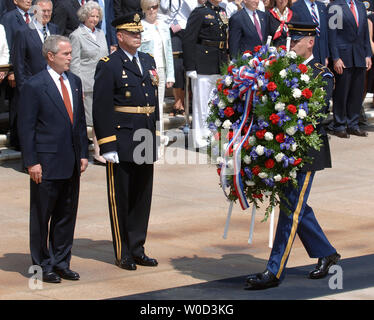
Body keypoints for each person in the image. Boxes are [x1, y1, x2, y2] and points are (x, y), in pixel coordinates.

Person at [245, 22, 340, 290]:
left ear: (310, 42)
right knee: (294, 206)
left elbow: (317, 114)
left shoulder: (322, 74)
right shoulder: (284, 70)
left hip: (306, 153)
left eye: (296, 40)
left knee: (290, 210)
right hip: (282, 149)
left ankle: (274, 271)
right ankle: (327, 253)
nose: (291, 44)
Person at [17, 35, 89, 284]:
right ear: (50, 56)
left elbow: (78, 122)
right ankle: (42, 265)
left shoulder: (75, 82)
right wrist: (32, 162)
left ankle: (61, 262)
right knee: (41, 217)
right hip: (45, 163)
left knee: (66, 214)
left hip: (70, 161)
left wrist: (83, 153)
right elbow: (26, 128)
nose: (70, 57)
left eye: (70, 53)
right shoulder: (35, 85)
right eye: (65, 54)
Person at [93, 12, 159, 271]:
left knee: (142, 196)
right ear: (119, 36)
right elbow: (102, 108)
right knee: (121, 197)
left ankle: (138, 247)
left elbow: (151, 101)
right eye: (133, 33)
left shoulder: (147, 59)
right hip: (121, 139)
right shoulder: (109, 64)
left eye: (139, 33)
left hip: (145, 136)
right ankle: (123, 251)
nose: (138, 37)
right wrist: (107, 145)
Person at [183, 0, 229, 149]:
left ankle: (211, 136)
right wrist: (190, 66)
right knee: (201, 104)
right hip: (203, 62)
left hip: (218, 62)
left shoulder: (222, 11)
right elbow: (189, 38)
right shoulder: (199, 12)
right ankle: (200, 139)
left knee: (214, 104)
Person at [69, 1, 109, 165]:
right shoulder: (76, 35)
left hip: (102, 82)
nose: (95, 19)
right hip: (87, 84)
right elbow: (75, 63)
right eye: (92, 16)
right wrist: (78, 87)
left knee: (101, 118)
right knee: (91, 121)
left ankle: (101, 151)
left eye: (97, 16)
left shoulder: (100, 33)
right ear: (84, 16)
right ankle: (96, 152)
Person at [327, 0, 372, 138]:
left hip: (359, 55)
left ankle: (353, 124)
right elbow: (332, 34)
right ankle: (339, 125)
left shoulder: (360, 6)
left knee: (357, 92)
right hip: (343, 55)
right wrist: (335, 58)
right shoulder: (336, 6)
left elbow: (365, 33)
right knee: (342, 91)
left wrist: (368, 54)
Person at [139, 0, 174, 157]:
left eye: (155, 7)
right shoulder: (140, 26)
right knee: (148, 105)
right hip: (148, 71)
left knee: (159, 105)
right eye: (149, 8)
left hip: (161, 69)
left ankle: (158, 139)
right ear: (144, 9)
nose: (153, 10)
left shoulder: (164, 26)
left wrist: (171, 75)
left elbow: (169, 51)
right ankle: (148, 139)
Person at [160, 0, 199, 116]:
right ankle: (178, 101)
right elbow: (163, 7)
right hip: (171, 29)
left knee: (186, 65)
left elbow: (194, 9)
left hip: (188, 28)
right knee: (176, 65)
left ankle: (183, 102)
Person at [12, 0, 59, 93]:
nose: (46, 14)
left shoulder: (55, 29)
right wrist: (23, 89)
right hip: (32, 86)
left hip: (54, 86)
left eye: (49, 11)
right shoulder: (23, 32)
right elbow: (19, 63)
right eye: (43, 11)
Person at [291, 0, 329, 66]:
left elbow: (325, 33)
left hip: (322, 57)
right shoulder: (295, 7)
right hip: (306, 56)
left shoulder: (322, 6)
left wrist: (326, 56)